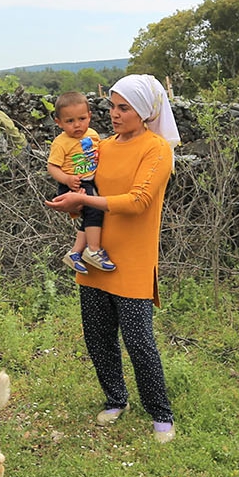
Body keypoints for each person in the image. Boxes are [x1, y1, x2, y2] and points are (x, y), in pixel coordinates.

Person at [45, 76, 178, 444]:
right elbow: (88, 187)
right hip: (94, 256)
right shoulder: (101, 145)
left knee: (139, 341)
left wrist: (84, 202)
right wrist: (72, 201)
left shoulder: (157, 149)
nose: (113, 115)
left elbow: (137, 202)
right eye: (112, 106)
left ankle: (161, 413)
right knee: (98, 337)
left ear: (146, 112)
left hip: (133, 258)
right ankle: (116, 399)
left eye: (123, 108)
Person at [45, 92, 114, 274]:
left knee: (91, 216)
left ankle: (75, 253)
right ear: (58, 122)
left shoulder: (93, 135)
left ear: (89, 116)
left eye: (82, 118)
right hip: (72, 185)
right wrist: (67, 179)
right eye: (70, 121)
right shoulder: (61, 143)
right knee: (95, 211)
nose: (77, 125)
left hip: (89, 182)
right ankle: (93, 249)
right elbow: (52, 167)